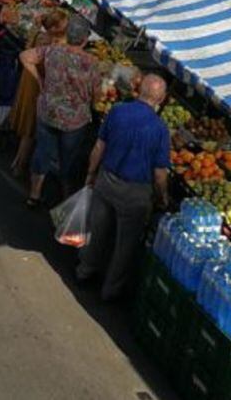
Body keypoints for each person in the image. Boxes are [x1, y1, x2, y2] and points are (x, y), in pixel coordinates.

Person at [78, 74, 170, 300]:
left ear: (140, 90)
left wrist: (91, 173)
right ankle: (110, 290)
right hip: (135, 193)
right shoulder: (160, 129)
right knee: (125, 245)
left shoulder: (118, 111)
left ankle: (85, 270)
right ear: (161, 98)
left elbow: (99, 147)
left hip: (107, 179)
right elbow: (159, 173)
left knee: (96, 228)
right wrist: (163, 197)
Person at [22, 14, 98, 206]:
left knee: (42, 152)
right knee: (68, 159)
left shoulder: (53, 50)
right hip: (74, 121)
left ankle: (34, 194)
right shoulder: (90, 63)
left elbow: (25, 56)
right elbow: (96, 94)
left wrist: (40, 81)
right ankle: (65, 198)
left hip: (48, 111)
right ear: (84, 39)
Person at [10, 8, 68, 173]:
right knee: (30, 127)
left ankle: (18, 160)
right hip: (36, 86)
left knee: (27, 127)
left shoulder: (38, 34)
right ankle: (19, 164)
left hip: (28, 82)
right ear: (55, 27)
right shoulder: (48, 43)